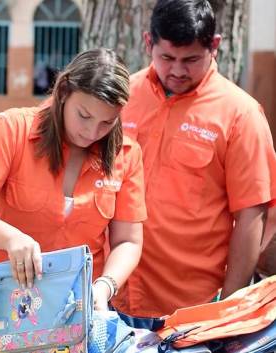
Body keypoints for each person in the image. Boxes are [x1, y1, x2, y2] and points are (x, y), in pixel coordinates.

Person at [113, 0, 276, 322]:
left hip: (191, 309)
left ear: (213, 46)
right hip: (109, 296)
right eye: (167, 58)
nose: (177, 71)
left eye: (191, 60)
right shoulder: (121, 98)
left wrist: (228, 309)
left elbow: (252, 215)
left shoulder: (240, 114)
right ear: (148, 43)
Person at [0, 48, 146, 313]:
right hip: (1, 306)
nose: (92, 132)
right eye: (84, 116)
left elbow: (128, 240)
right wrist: (11, 238)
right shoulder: (12, 128)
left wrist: (104, 287)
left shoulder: (126, 153)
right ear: (64, 91)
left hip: (77, 308)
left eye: (107, 122)